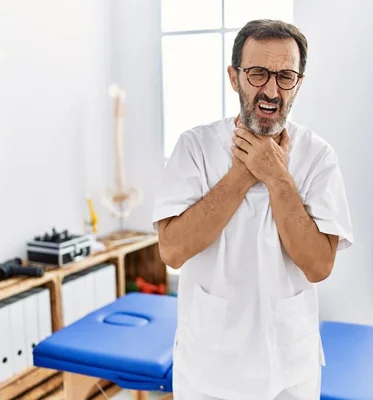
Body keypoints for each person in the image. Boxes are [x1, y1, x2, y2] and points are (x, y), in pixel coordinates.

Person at [152, 19, 354, 400]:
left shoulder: (318, 157)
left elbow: (318, 266)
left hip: (289, 366)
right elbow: (172, 251)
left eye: (285, 76)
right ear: (234, 77)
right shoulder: (194, 147)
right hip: (208, 366)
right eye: (258, 73)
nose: (271, 89)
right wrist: (246, 171)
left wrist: (277, 176)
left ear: (299, 82)